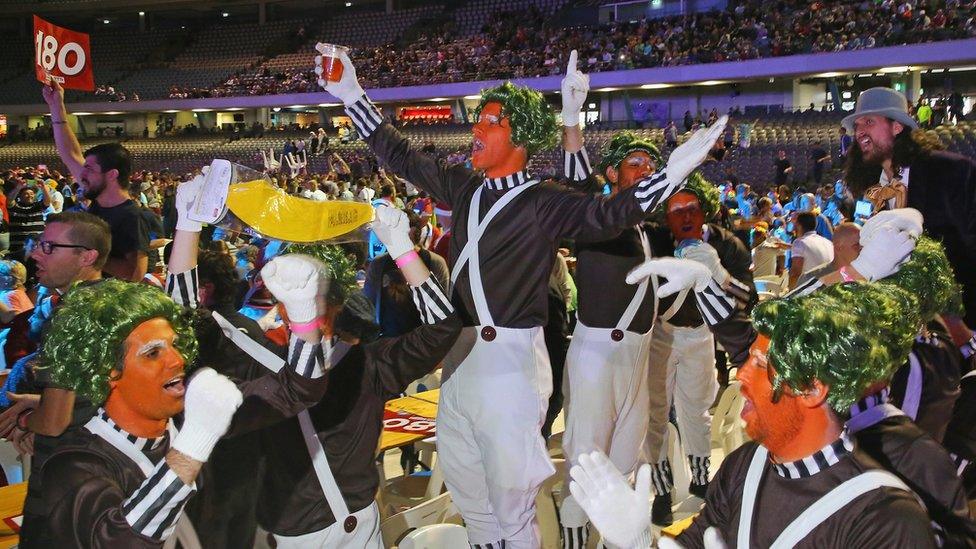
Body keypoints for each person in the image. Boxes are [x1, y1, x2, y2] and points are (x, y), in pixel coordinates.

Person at [320, 48, 725, 547]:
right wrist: (351, 95)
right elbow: (400, 153)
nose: (477, 128)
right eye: (481, 118)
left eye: (491, 121)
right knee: (472, 496)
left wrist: (671, 176)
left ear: (520, 138)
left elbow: (604, 215)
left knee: (511, 506)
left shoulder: (543, 200)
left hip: (511, 365)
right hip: (459, 356)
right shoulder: (464, 186)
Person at [569, 282, 938, 548]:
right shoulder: (744, 465)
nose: (742, 376)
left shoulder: (885, 519)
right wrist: (639, 544)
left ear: (812, 390)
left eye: (761, 365)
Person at [21, 259, 331, 547]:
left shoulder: (188, 413)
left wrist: (303, 318)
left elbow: (297, 390)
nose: (177, 359)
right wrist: (193, 444)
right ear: (107, 371)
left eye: (175, 345)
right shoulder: (74, 463)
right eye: (153, 353)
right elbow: (119, 539)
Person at [256, 207, 461, 547]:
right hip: (319, 533)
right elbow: (443, 326)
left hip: (344, 531)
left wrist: (401, 248)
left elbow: (443, 328)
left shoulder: (366, 363)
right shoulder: (265, 364)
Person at [557, 131, 663, 546]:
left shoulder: (645, 228)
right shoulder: (596, 214)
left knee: (624, 466)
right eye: (636, 165)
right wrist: (571, 124)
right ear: (611, 173)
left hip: (638, 356)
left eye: (651, 168)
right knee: (586, 463)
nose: (646, 173)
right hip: (600, 354)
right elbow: (576, 186)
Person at [643, 175, 756, 526]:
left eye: (692, 208)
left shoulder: (727, 245)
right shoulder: (655, 239)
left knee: (696, 410)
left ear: (704, 211)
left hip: (700, 334)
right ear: (666, 218)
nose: (685, 216)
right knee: (655, 414)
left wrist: (718, 273)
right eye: (676, 211)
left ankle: (701, 479)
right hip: (660, 333)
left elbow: (747, 298)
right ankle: (661, 491)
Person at [843, 86, 976, 328]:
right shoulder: (871, 191)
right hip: (905, 323)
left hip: (962, 320)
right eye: (857, 126)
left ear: (897, 127)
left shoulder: (951, 171)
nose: (860, 132)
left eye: (869, 122)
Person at [42, 81, 149, 282]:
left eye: (90, 169)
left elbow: (135, 274)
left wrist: (87, 254)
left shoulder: (131, 217)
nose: (82, 175)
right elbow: (70, 153)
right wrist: (56, 106)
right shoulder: (99, 200)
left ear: (112, 174)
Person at [7, 181, 51, 262]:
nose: (29, 196)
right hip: (17, 249)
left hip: (36, 250)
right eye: (26, 194)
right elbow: (9, 200)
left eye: (31, 193)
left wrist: (44, 187)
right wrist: (18, 188)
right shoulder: (14, 207)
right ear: (20, 196)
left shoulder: (38, 206)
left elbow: (47, 201)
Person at [789, 212, 833, 288]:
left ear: (799, 226)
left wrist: (789, 294)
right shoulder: (828, 242)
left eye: (794, 225)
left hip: (810, 291)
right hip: (828, 288)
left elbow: (795, 273)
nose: (793, 229)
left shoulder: (799, 242)